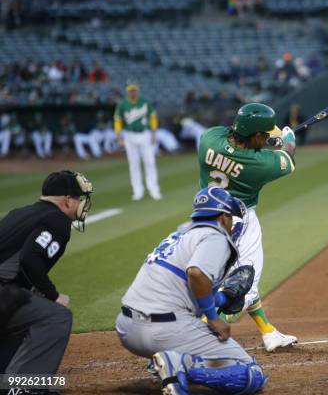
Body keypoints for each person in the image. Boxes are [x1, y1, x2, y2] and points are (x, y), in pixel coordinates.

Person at [116, 186, 267, 395]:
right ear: (223, 217)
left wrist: (223, 298)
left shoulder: (178, 234)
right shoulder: (215, 236)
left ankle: (161, 361)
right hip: (162, 330)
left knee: (184, 318)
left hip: (127, 328)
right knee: (251, 374)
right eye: (231, 218)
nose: (231, 224)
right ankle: (180, 364)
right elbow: (196, 274)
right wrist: (214, 317)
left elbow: (186, 289)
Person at [197, 103, 298, 352]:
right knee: (245, 282)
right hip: (239, 220)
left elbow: (230, 135)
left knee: (238, 276)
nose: (266, 138)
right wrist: (287, 139)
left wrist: (265, 141)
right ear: (254, 135)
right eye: (263, 135)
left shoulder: (208, 140)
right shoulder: (259, 165)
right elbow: (288, 157)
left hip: (204, 216)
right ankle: (195, 333)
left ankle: (268, 332)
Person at [0, 171, 93, 384]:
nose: (81, 204)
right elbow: (30, 258)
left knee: (23, 306)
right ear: (68, 200)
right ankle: (25, 387)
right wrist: (53, 295)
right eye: (79, 198)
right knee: (56, 316)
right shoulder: (57, 219)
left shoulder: (18, 213)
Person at [114, 82, 162, 201]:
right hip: (129, 135)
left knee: (150, 162)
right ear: (127, 91)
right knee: (134, 164)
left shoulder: (145, 102)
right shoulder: (122, 104)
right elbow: (118, 120)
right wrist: (119, 136)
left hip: (145, 133)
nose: (132, 92)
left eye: (134, 90)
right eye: (130, 90)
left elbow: (153, 117)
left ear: (138, 90)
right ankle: (137, 191)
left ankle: (154, 189)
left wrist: (154, 132)